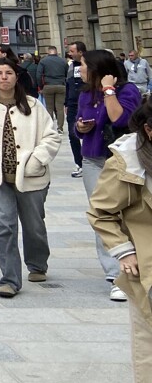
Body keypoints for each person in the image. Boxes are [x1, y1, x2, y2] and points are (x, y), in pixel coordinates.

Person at [0, 58, 61, 297]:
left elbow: (52, 137)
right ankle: (9, 279)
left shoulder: (33, 106)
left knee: (33, 225)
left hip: (31, 177)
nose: (4, 77)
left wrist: (36, 160)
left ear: (17, 77)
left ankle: (37, 263)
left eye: (9, 73)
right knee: (3, 227)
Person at [86, 99, 152, 383]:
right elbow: (101, 211)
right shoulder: (128, 162)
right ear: (149, 130)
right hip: (148, 263)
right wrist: (124, 252)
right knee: (149, 340)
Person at [75, 48, 142, 300]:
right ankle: (115, 274)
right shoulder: (85, 93)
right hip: (93, 159)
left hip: (123, 160)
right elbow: (80, 125)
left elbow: (120, 118)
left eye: (82, 65)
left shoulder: (128, 91)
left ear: (97, 69)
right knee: (101, 214)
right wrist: (80, 126)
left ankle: (135, 265)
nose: (79, 69)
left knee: (128, 213)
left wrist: (108, 90)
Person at [65, 41, 88, 177]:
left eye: (72, 51)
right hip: (73, 104)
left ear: (80, 52)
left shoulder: (89, 65)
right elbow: (68, 84)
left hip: (86, 102)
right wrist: (66, 103)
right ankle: (79, 163)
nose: (70, 53)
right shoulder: (70, 66)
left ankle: (89, 161)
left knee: (87, 132)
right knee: (72, 134)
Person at [37, 45, 69, 132]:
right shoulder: (63, 61)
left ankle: (50, 128)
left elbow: (39, 75)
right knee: (60, 108)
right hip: (61, 85)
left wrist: (41, 86)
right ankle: (60, 128)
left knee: (49, 108)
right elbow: (67, 73)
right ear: (56, 52)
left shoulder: (43, 61)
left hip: (48, 86)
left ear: (48, 52)